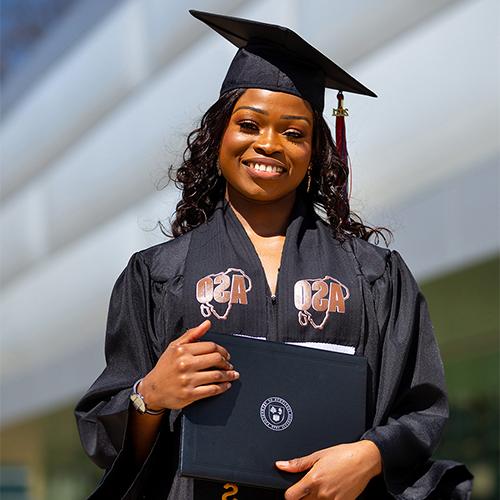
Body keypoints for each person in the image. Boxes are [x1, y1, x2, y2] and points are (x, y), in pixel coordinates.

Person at [75, 10, 473, 500]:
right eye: (249, 124)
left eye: (294, 132)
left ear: (315, 154)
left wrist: (370, 457)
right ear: (218, 137)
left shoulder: (374, 275)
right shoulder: (157, 274)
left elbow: (422, 408)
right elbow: (108, 439)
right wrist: (150, 396)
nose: (269, 144)